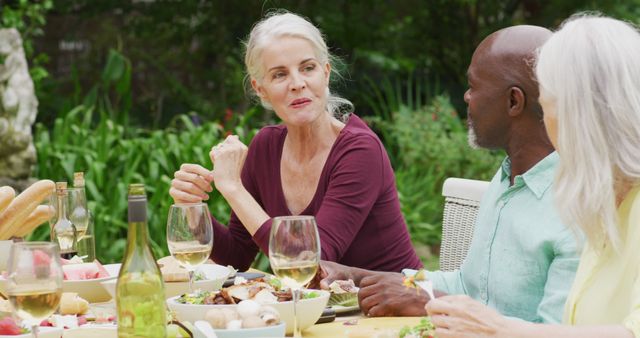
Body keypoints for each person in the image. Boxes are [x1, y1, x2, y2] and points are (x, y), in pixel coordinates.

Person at [316, 25, 580, 323]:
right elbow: (466, 286)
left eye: (474, 85)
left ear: (513, 102)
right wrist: (356, 277)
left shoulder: (577, 209)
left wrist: (429, 300)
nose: (467, 96)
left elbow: (553, 331)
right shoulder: (508, 177)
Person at [425, 14, 640, 338]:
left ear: (582, 110)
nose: (544, 117)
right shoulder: (599, 201)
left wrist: (500, 330)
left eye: (549, 100)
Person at [169, 11, 422, 272]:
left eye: (307, 68)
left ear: (325, 73)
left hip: (397, 307)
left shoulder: (360, 150)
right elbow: (237, 255)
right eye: (279, 75)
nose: (297, 83)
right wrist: (190, 208)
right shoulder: (266, 147)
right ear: (260, 88)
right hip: (328, 308)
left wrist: (233, 188)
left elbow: (310, 260)